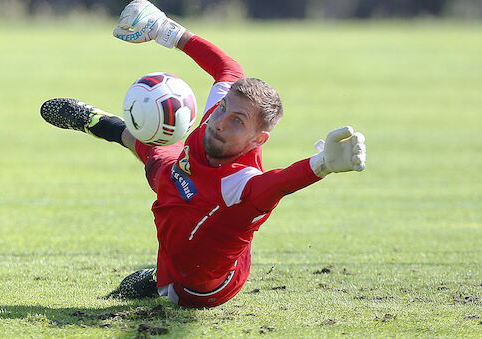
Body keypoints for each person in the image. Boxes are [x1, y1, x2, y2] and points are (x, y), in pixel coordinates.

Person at [40, 0, 366, 309]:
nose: (218, 122)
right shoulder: (218, 115)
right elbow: (229, 68)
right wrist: (166, 30)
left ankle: (157, 280)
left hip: (203, 285)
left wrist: (321, 165)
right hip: (181, 180)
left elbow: (278, 184)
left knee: (178, 255)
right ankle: (100, 123)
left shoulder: (241, 185)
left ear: (258, 140)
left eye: (237, 121)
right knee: (155, 155)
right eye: (224, 109)